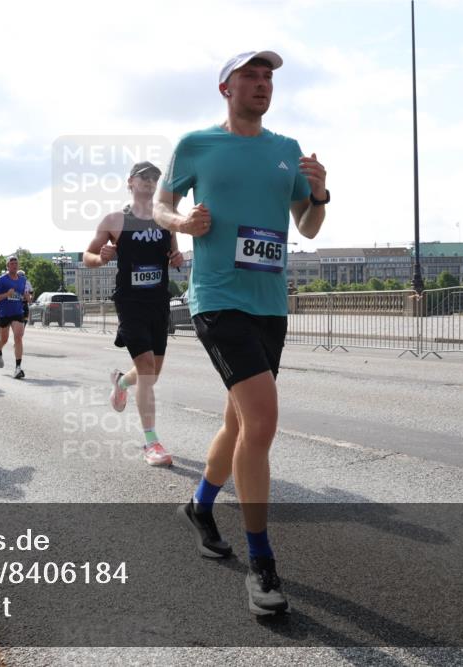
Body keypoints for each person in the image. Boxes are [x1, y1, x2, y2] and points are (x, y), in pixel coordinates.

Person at [154, 50, 328, 617]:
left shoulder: (286, 151)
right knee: (262, 420)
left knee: (238, 419)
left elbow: (307, 224)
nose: (262, 84)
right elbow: (159, 204)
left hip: (269, 303)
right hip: (218, 298)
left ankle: (201, 506)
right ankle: (263, 563)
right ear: (225, 87)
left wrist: (320, 194)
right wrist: (181, 223)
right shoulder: (196, 145)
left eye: (268, 77)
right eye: (251, 76)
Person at [84, 161, 183, 467]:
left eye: (155, 178)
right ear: (130, 182)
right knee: (147, 370)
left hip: (158, 301)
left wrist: (176, 258)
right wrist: (100, 258)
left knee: (151, 372)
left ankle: (121, 383)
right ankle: (151, 443)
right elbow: (87, 256)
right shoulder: (115, 219)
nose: (150, 182)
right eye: (144, 177)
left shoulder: (165, 219)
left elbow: (174, 255)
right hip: (129, 302)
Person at [0, 256, 28, 379]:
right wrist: (6, 294)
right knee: (4, 340)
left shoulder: (23, 280)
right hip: (4, 313)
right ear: (7, 266)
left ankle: (18, 368)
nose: (14, 265)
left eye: (16, 263)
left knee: (18, 336)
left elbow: (24, 296)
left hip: (17, 312)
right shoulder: (2, 280)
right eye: (11, 263)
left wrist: (28, 298)